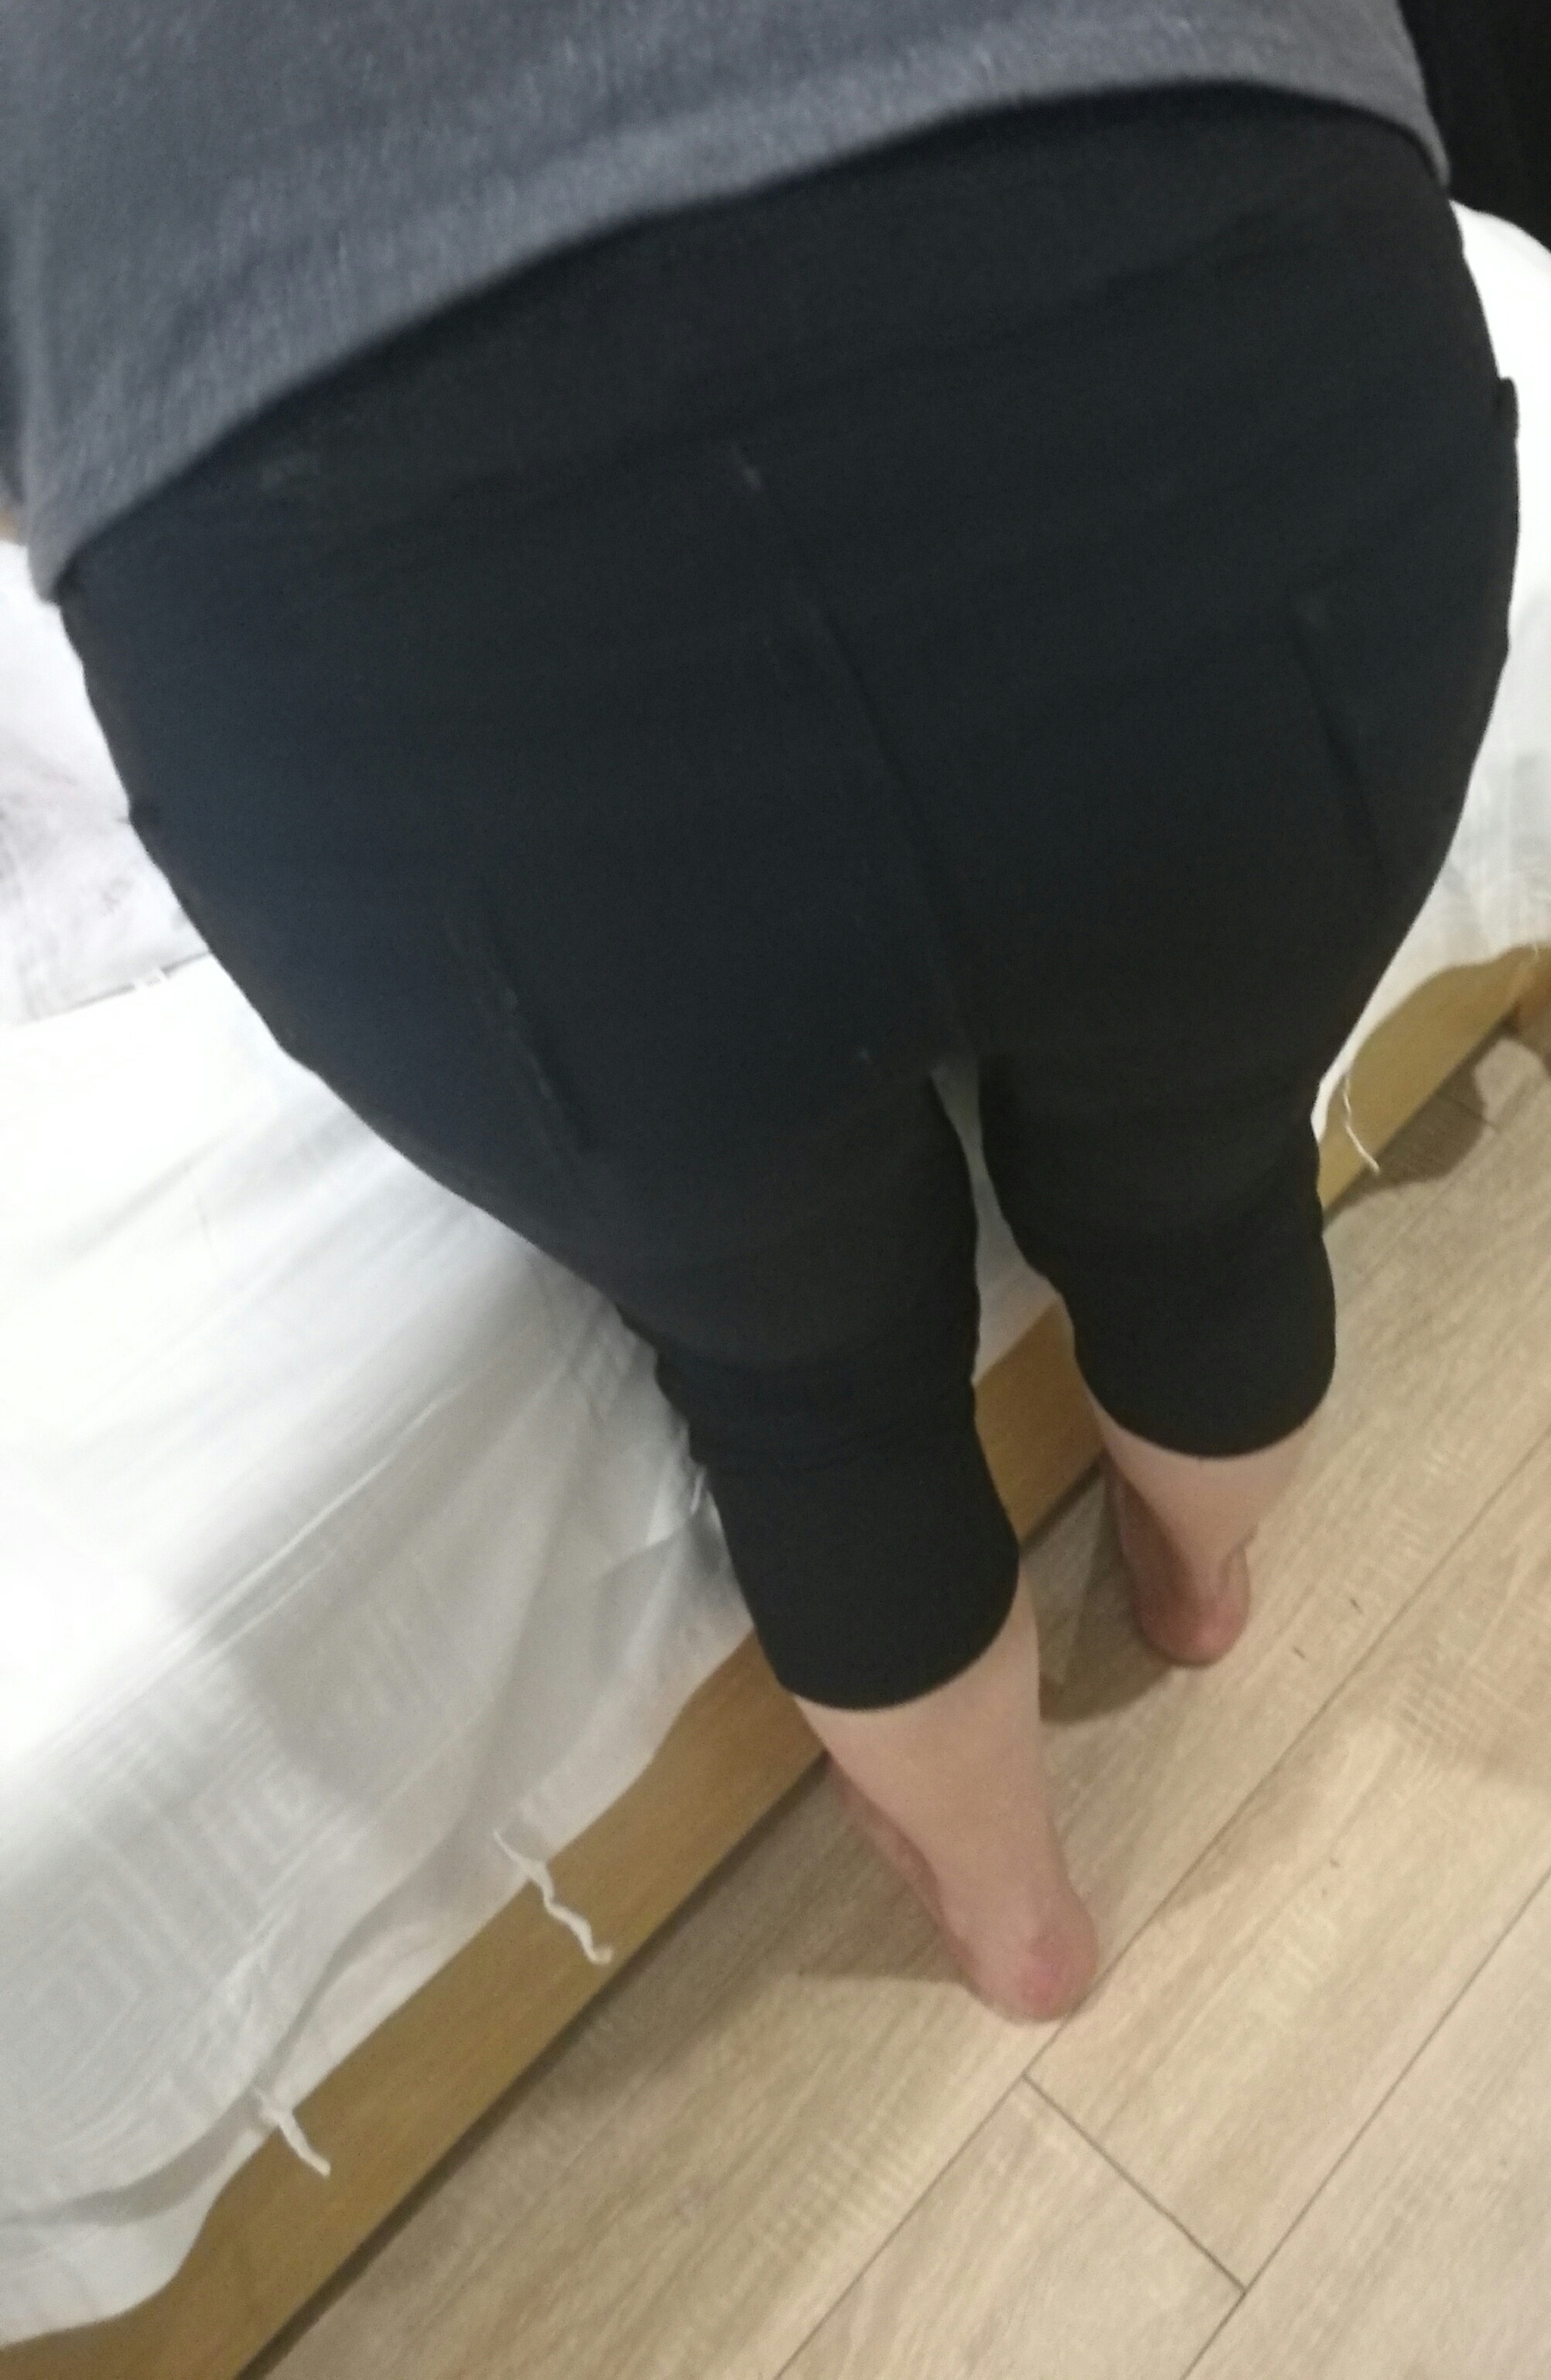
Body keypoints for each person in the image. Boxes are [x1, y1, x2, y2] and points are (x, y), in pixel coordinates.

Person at [0, 6, 1519, 2023]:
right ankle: (1198, 1582)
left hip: (384, 600)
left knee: (802, 1393)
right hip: (1202, 301)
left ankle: (1018, 1919)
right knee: (1201, 1183)